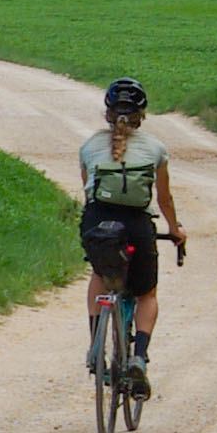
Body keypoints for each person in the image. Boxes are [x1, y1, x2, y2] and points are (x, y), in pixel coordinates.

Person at [79, 76, 187, 395]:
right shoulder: (156, 148)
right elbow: (164, 199)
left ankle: (96, 347)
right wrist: (175, 229)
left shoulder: (89, 147)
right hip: (138, 226)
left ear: (108, 113)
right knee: (146, 294)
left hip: (98, 221)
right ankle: (138, 357)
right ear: (143, 114)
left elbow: (89, 195)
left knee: (100, 273)